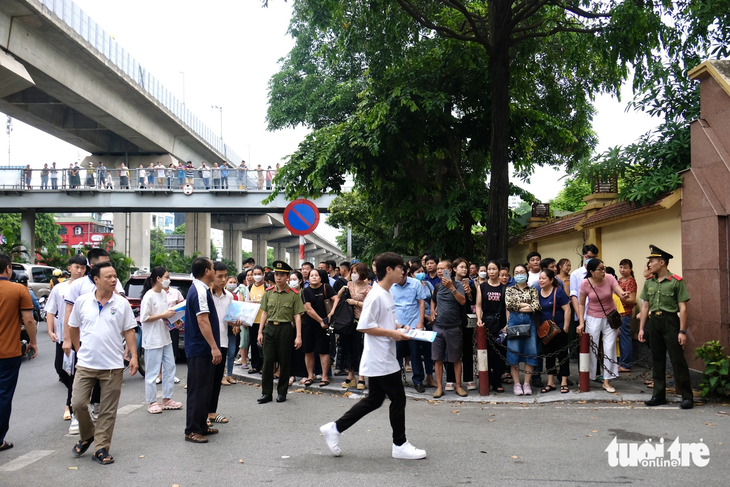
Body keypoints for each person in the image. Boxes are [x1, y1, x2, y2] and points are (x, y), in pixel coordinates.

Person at [319, 252, 426, 460]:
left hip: (385, 354)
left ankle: (335, 428)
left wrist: (399, 328)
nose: (403, 272)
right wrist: (392, 333)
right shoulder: (375, 295)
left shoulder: (386, 292)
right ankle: (400, 444)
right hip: (379, 357)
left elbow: (383, 321)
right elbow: (365, 326)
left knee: (375, 399)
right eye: (400, 268)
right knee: (398, 398)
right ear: (389, 270)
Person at [68, 262, 138, 465]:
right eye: (108, 277)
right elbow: (73, 327)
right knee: (78, 404)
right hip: (86, 364)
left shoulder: (122, 303)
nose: (113, 280)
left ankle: (101, 448)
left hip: (112, 365)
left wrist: (133, 356)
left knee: (107, 410)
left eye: (115, 276)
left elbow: (129, 331)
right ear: (96, 280)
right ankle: (88, 434)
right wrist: (78, 349)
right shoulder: (82, 301)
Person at [638, 246, 693, 409]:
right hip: (654, 322)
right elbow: (645, 306)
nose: (649, 264)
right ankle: (658, 394)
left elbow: (683, 308)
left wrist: (682, 331)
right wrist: (641, 329)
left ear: (662, 263)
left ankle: (687, 396)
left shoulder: (676, 281)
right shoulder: (649, 282)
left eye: (652, 261)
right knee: (657, 359)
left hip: (670, 322)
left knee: (677, 360)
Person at [0, 253, 37, 452]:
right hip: (8, 352)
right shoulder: (18, 290)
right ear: (8, 269)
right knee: (3, 394)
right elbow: (29, 320)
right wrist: (33, 342)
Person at [184, 257, 222, 444]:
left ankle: (201, 425)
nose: (215, 271)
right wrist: (214, 347)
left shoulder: (201, 289)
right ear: (207, 271)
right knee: (198, 390)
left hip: (201, 348)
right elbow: (202, 321)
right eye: (213, 268)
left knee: (205, 388)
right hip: (200, 348)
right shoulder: (199, 291)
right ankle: (192, 429)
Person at [45, 254, 87, 422]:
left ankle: (69, 405)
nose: (80, 270)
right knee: (60, 368)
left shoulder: (88, 288)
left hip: (81, 336)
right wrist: (50, 331)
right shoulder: (59, 289)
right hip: (63, 335)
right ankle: (77, 392)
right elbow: (50, 311)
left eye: (83, 268)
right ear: (69, 268)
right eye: (77, 267)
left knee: (76, 370)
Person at [256, 260, 305, 404]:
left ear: (287, 277)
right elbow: (264, 313)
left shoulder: (294, 294)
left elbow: (297, 316)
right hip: (269, 328)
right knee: (268, 361)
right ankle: (266, 393)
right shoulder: (268, 293)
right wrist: (260, 332)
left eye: (282, 275)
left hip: (285, 329)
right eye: (277, 274)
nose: (279, 278)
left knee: (285, 361)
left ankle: (282, 392)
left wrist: (298, 336)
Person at [577, 259, 627, 393]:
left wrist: (623, 294)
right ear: (592, 272)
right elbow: (581, 303)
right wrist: (582, 322)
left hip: (610, 317)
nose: (603, 271)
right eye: (600, 269)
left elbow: (619, 290)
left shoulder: (610, 278)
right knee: (592, 348)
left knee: (609, 347)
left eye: (604, 268)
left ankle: (606, 380)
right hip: (593, 318)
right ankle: (590, 376)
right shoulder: (585, 283)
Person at [140, 267, 182, 414]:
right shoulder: (149, 296)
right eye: (166, 276)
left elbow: (165, 316)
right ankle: (152, 401)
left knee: (170, 367)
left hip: (165, 336)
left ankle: (167, 398)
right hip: (152, 339)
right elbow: (144, 318)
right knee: (152, 372)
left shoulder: (163, 293)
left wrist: (174, 319)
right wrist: (162, 314)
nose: (168, 279)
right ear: (158, 279)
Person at [430, 260, 467, 398]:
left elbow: (462, 301)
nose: (439, 271)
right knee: (438, 359)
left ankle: (458, 386)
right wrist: (433, 311)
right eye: (438, 269)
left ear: (449, 270)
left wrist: (451, 287)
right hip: (438, 327)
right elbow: (432, 299)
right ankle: (439, 387)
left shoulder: (458, 284)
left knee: (456, 358)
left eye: (442, 269)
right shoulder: (438, 286)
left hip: (454, 327)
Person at [391, 263, 429, 393]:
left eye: (403, 274)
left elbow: (421, 302)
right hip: (397, 325)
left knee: (415, 354)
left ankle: (418, 381)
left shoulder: (415, 283)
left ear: (407, 272)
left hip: (413, 324)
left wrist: (421, 322)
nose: (401, 277)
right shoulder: (391, 285)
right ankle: (395, 381)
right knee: (397, 354)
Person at [505, 264, 541, 395]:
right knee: (514, 353)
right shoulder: (509, 289)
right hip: (514, 322)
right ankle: (516, 384)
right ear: (514, 275)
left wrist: (519, 306)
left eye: (522, 272)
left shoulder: (533, 290)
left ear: (526, 274)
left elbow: (536, 306)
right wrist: (527, 305)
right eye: (517, 272)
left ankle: (526, 383)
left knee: (530, 352)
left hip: (529, 323)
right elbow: (509, 304)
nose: (520, 274)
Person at [209, 262, 237, 426]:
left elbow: (229, 320)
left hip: (223, 342)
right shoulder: (206, 295)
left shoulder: (228, 297)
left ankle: (212, 412)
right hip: (208, 344)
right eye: (220, 276)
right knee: (206, 380)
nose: (224, 279)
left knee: (217, 380)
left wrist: (237, 322)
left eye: (225, 276)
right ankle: (203, 414)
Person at [336, 262, 371, 391]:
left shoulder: (369, 288)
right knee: (348, 349)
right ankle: (351, 376)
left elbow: (370, 306)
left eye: (356, 272)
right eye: (352, 272)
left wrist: (356, 302)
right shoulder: (349, 285)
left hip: (362, 322)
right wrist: (342, 290)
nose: (354, 274)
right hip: (348, 322)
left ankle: (361, 377)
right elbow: (338, 298)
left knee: (360, 350)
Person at [300, 268, 336, 387]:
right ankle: (310, 376)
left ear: (320, 277)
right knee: (308, 351)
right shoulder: (306, 291)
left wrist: (331, 314)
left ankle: (325, 376)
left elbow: (336, 299)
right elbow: (308, 309)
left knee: (323, 351)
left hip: (325, 325)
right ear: (308, 278)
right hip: (309, 324)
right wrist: (321, 320)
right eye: (312, 275)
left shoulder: (326, 287)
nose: (314, 277)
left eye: (316, 275)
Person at [537, 269, 571, 394]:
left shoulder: (558, 292)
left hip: (559, 329)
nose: (541, 280)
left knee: (562, 355)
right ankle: (550, 382)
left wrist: (566, 327)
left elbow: (567, 310)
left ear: (551, 280)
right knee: (549, 355)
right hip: (545, 331)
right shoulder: (538, 293)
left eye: (544, 278)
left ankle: (564, 381)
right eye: (540, 278)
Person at [476, 260, 507, 393]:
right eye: (489, 269)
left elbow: (507, 307)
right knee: (485, 353)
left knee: (500, 354)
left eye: (494, 269)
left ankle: (496, 380)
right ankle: (486, 380)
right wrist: (478, 319)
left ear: (499, 270)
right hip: (486, 323)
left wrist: (507, 324)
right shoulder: (482, 287)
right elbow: (478, 305)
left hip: (500, 323)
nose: (491, 272)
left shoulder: (504, 288)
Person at [617, 259, 637, 372]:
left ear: (630, 269)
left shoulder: (631, 281)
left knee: (625, 337)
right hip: (618, 313)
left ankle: (626, 364)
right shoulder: (620, 280)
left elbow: (632, 299)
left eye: (625, 267)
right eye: (621, 267)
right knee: (621, 337)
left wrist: (620, 298)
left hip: (625, 313)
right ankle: (622, 362)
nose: (622, 270)